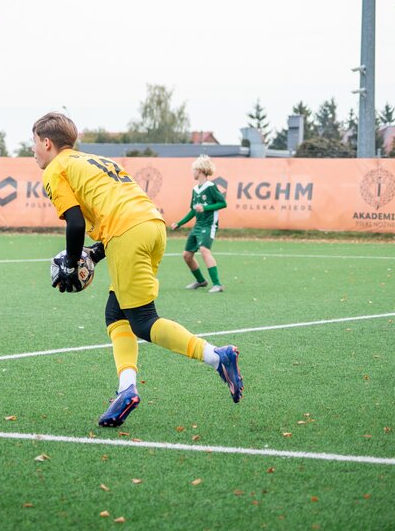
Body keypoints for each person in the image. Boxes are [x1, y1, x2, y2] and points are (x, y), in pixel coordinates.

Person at [32, 112, 242, 428]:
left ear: (47, 143)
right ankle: (126, 389)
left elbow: (75, 222)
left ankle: (217, 356)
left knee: (143, 321)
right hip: (151, 226)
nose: (33, 150)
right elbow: (117, 210)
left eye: (34, 142)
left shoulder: (55, 169)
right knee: (116, 314)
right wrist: (94, 254)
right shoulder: (94, 160)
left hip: (128, 232)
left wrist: (72, 263)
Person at [170, 155, 227, 293]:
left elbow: (223, 203)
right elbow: (193, 211)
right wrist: (179, 223)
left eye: (194, 169)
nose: (192, 172)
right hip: (198, 226)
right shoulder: (195, 189)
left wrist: (205, 208)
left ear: (200, 170)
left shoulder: (211, 187)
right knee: (187, 255)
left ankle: (217, 284)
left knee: (204, 250)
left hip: (209, 225)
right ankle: (201, 281)